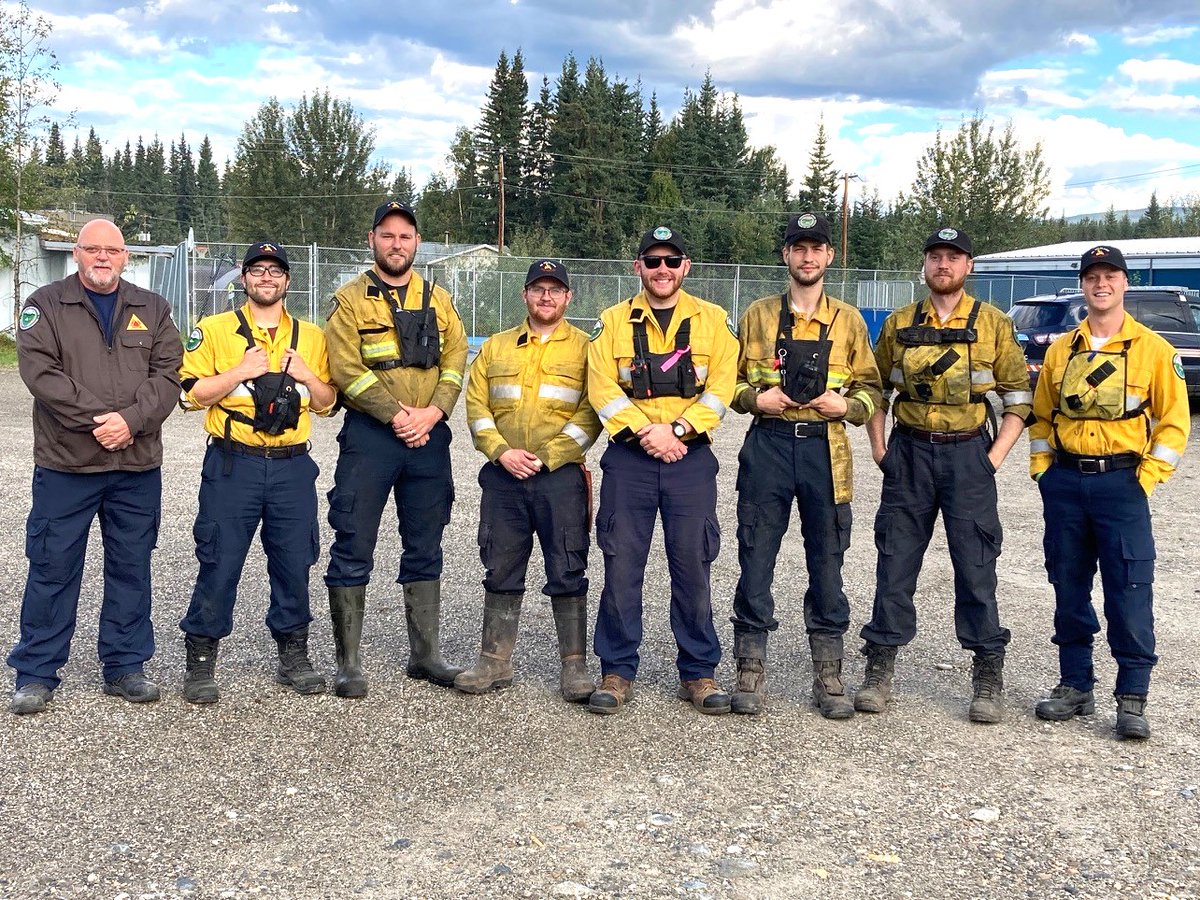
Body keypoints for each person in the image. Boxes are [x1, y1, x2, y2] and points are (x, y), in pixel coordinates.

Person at [8, 218, 182, 715]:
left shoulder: (153, 308)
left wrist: (130, 422)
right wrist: (100, 422)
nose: (102, 257)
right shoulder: (44, 305)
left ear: (125, 257)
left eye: (112, 250)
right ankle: (37, 672)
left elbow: (169, 375)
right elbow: (41, 375)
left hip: (136, 466)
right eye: (92, 249)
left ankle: (125, 665)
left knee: (131, 568)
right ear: (76, 254)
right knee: (52, 567)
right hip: (67, 465)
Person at [859, 227, 1031, 723]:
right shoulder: (899, 323)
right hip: (909, 455)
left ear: (968, 266)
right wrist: (879, 447)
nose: (943, 265)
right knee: (895, 563)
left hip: (968, 458)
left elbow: (1018, 398)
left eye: (953, 258)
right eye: (935, 257)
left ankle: (987, 671)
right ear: (925, 266)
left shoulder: (994, 324)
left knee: (976, 566)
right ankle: (880, 668)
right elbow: (875, 390)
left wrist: (993, 458)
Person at [1030, 245, 1189, 740]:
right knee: (1068, 585)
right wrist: (1043, 471)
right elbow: (1041, 417)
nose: (1101, 284)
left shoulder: (1154, 350)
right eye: (1093, 276)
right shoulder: (1061, 350)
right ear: (1083, 285)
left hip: (1122, 485)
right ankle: (1075, 685)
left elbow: (1173, 424)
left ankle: (1132, 697)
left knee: (1129, 589)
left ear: (1124, 283)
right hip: (1067, 484)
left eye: (1110, 275)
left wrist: (1144, 478)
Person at [728, 213, 882, 717]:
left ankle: (829, 675)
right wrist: (755, 399)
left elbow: (872, 389)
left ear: (829, 256)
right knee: (755, 557)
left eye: (816, 248)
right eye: (798, 247)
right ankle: (749, 669)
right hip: (768, 445)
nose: (807, 257)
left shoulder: (850, 321)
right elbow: (725, 387)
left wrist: (849, 408)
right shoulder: (756, 315)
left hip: (826, 451)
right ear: (786, 255)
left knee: (827, 563)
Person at [586, 226, 739, 715]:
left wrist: (678, 432)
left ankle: (699, 671)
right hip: (630, 460)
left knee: (693, 565)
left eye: (672, 262)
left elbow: (721, 388)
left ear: (685, 268)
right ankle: (616, 670)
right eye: (652, 261)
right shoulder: (611, 322)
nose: (662, 270)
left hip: (689, 460)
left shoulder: (714, 321)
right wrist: (646, 433)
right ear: (638, 268)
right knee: (621, 566)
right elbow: (602, 389)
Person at [176, 241, 337, 704]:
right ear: (244, 279)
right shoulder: (213, 330)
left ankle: (294, 654)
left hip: (292, 467)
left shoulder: (312, 337)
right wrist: (238, 370)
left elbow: (328, 405)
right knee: (220, 560)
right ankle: (202, 658)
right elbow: (188, 395)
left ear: (288, 281)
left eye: (275, 271)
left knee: (294, 562)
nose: (267, 278)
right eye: (257, 270)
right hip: (234, 463)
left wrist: (308, 375)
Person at [323, 199, 468, 697]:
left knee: (426, 543)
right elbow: (344, 369)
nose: (396, 244)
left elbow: (454, 361)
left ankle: (425, 656)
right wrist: (398, 415)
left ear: (416, 243)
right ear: (372, 241)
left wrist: (435, 411)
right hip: (371, 438)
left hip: (429, 437)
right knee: (353, 540)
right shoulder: (349, 300)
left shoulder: (439, 298)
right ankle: (349, 664)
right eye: (387, 235)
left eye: (405, 236)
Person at [455, 260, 601, 700]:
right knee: (500, 563)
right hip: (504, 476)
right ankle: (494, 660)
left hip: (559, 477)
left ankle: (574, 666)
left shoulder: (586, 350)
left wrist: (549, 456)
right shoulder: (496, 348)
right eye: (538, 288)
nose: (546, 297)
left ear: (568, 297)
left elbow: (592, 414)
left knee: (567, 566)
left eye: (555, 290)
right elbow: (477, 408)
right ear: (525, 294)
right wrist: (501, 451)